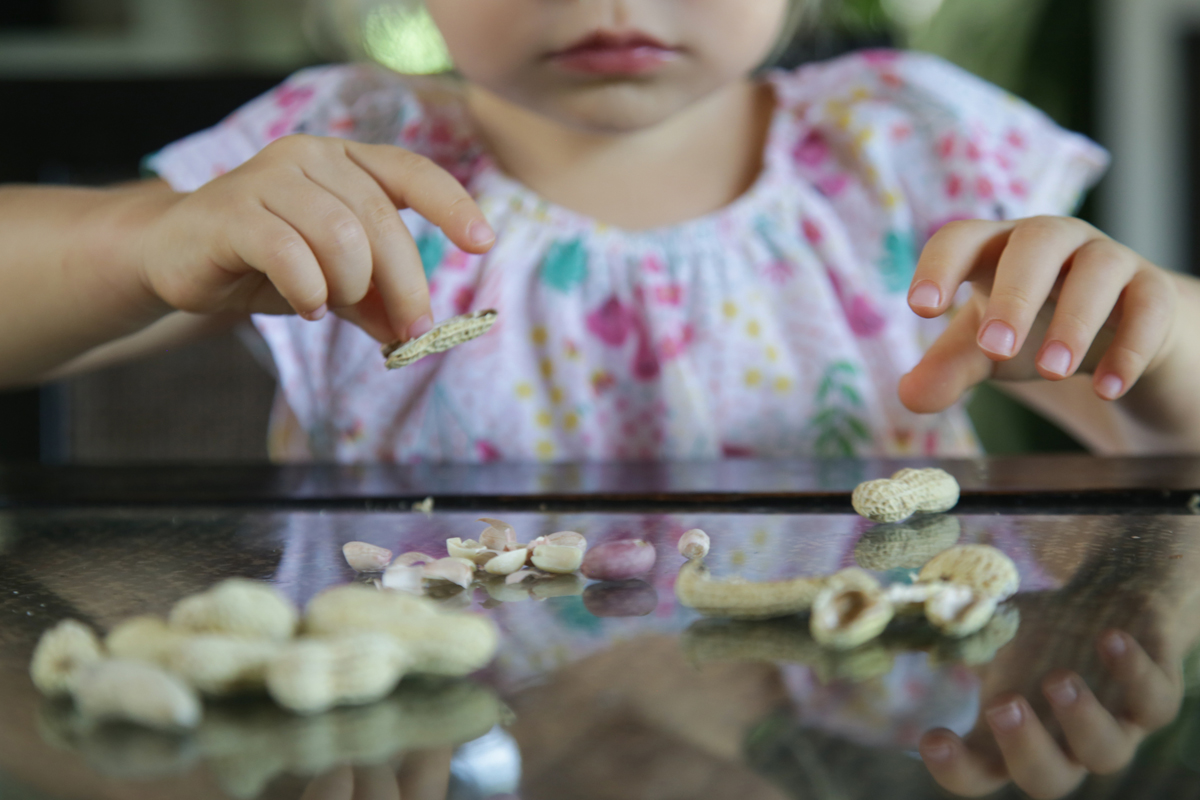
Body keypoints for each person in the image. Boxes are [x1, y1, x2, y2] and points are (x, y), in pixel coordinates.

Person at [1, 0, 1197, 462]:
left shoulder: (907, 152)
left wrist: (1156, 335)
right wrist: (131, 245)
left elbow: (1157, 424)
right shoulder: (338, 154)